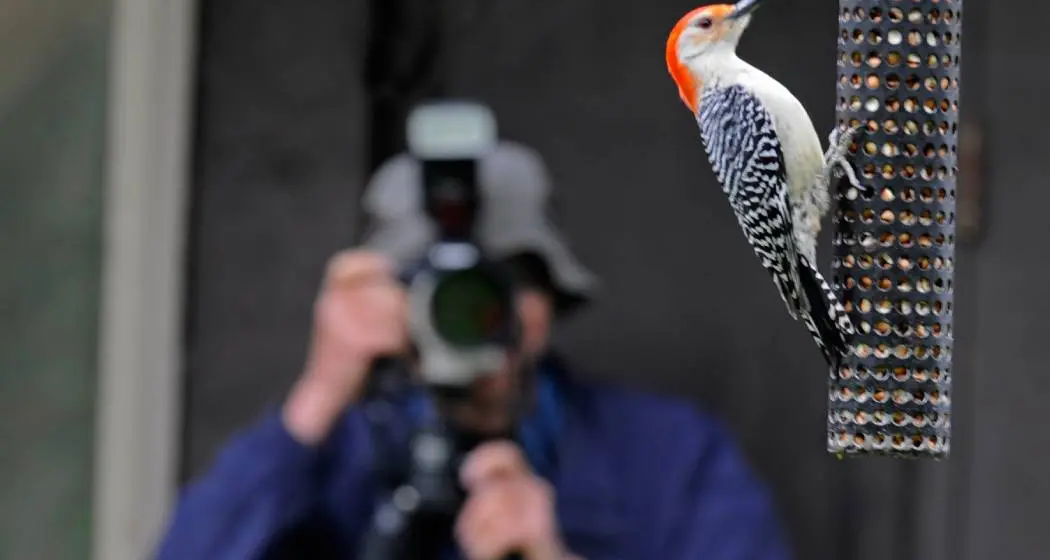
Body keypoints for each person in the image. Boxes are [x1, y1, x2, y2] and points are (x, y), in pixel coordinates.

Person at [155, 141, 792, 560]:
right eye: (437, 292)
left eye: (502, 285)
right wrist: (318, 398)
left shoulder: (671, 460)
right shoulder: (330, 465)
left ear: (549, 302)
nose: (473, 317)